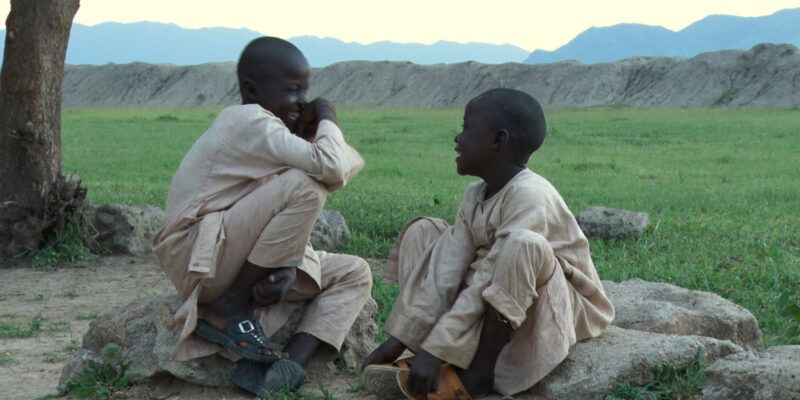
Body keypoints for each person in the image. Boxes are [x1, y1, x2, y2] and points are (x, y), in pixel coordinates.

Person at [153, 37, 371, 396]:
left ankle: (285, 366)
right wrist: (327, 115)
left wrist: (287, 266)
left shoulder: (272, 132)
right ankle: (230, 309)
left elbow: (348, 164)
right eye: (293, 90)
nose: (303, 102)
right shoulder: (248, 120)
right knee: (306, 184)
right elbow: (332, 167)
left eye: (306, 91)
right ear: (253, 89)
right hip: (197, 256)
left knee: (354, 272)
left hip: (229, 256)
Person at [363, 88, 615, 399]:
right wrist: (404, 339)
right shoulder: (474, 194)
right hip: (496, 291)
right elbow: (447, 269)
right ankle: (431, 359)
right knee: (426, 231)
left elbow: (491, 272)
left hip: (552, 303)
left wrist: (437, 347)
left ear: (498, 140)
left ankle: (479, 373)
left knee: (523, 244)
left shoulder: (530, 195)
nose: (457, 138)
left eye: (466, 127)